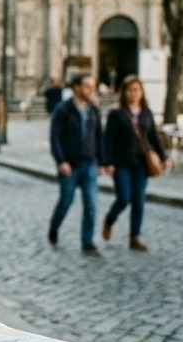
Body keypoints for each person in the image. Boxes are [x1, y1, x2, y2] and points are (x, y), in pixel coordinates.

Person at [101, 76, 168, 251]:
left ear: (142, 92)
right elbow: (107, 139)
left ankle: (134, 237)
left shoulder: (147, 113)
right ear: (124, 92)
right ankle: (109, 219)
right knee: (124, 198)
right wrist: (107, 162)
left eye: (136, 89)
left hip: (141, 164)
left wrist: (163, 157)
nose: (133, 93)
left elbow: (153, 137)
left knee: (138, 200)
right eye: (130, 90)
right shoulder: (116, 114)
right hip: (121, 162)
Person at [47, 73, 109, 254]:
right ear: (76, 87)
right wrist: (61, 161)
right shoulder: (63, 109)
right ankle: (54, 226)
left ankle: (87, 241)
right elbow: (55, 138)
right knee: (66, 201)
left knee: (91, 203)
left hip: (89, 163)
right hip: (69, 164)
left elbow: (99, 136)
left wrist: (102, 162)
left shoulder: (94, 110)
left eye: (93, 86)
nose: (92, 90)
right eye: (88, 86)